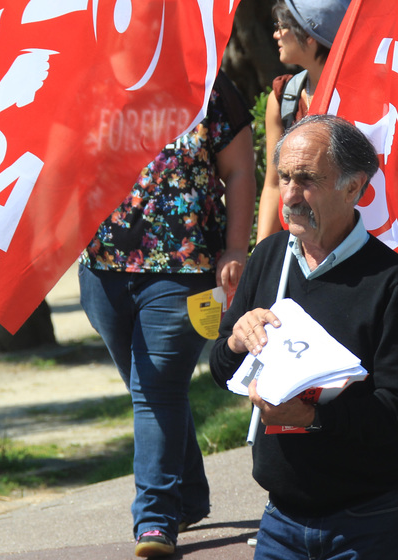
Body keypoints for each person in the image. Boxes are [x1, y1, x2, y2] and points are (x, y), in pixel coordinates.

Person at [210, 115, 398, 560]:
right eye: (285, 177)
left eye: (308, 180)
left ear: (354, 188)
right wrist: (236, 341)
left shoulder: (392, 283)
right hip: (281, 517)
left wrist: (310, 417)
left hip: (370, 519)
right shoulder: (270, 257)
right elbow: (221, 369)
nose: (290, 194)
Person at [78, 71, 255, 558]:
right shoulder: (86, 79)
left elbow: (240, 169)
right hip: (101, 269)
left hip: (183, 270)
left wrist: (237, 247)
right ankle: (190, 494)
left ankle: (155, 520)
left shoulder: (207, 84)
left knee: (153, 390)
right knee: (151, 388)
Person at [255, 0, 351, 243]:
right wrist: (260, 259)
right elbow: (274, 184)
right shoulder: (283, 96)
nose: (276, 34)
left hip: (352, 245)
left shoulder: (365, 100)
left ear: (309, 37)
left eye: (282, 25)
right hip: (296, 245)